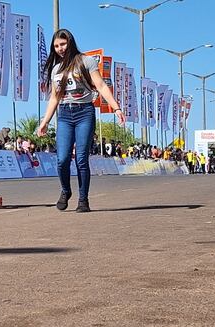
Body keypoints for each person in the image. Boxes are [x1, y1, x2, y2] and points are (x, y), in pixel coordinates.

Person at [37, 29, 125, 212]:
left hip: (84, 112)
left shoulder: (86, 61)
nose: (60, 48)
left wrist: (116, 107)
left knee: (82, 159)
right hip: (64, 115)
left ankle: (83, 199)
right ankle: (65, 190)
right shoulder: (56, 70)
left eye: (63, 44)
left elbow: (100, 85)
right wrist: (45, 121)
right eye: (56, 46)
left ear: (70, 42)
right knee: (62, 159)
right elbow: (54, 97)